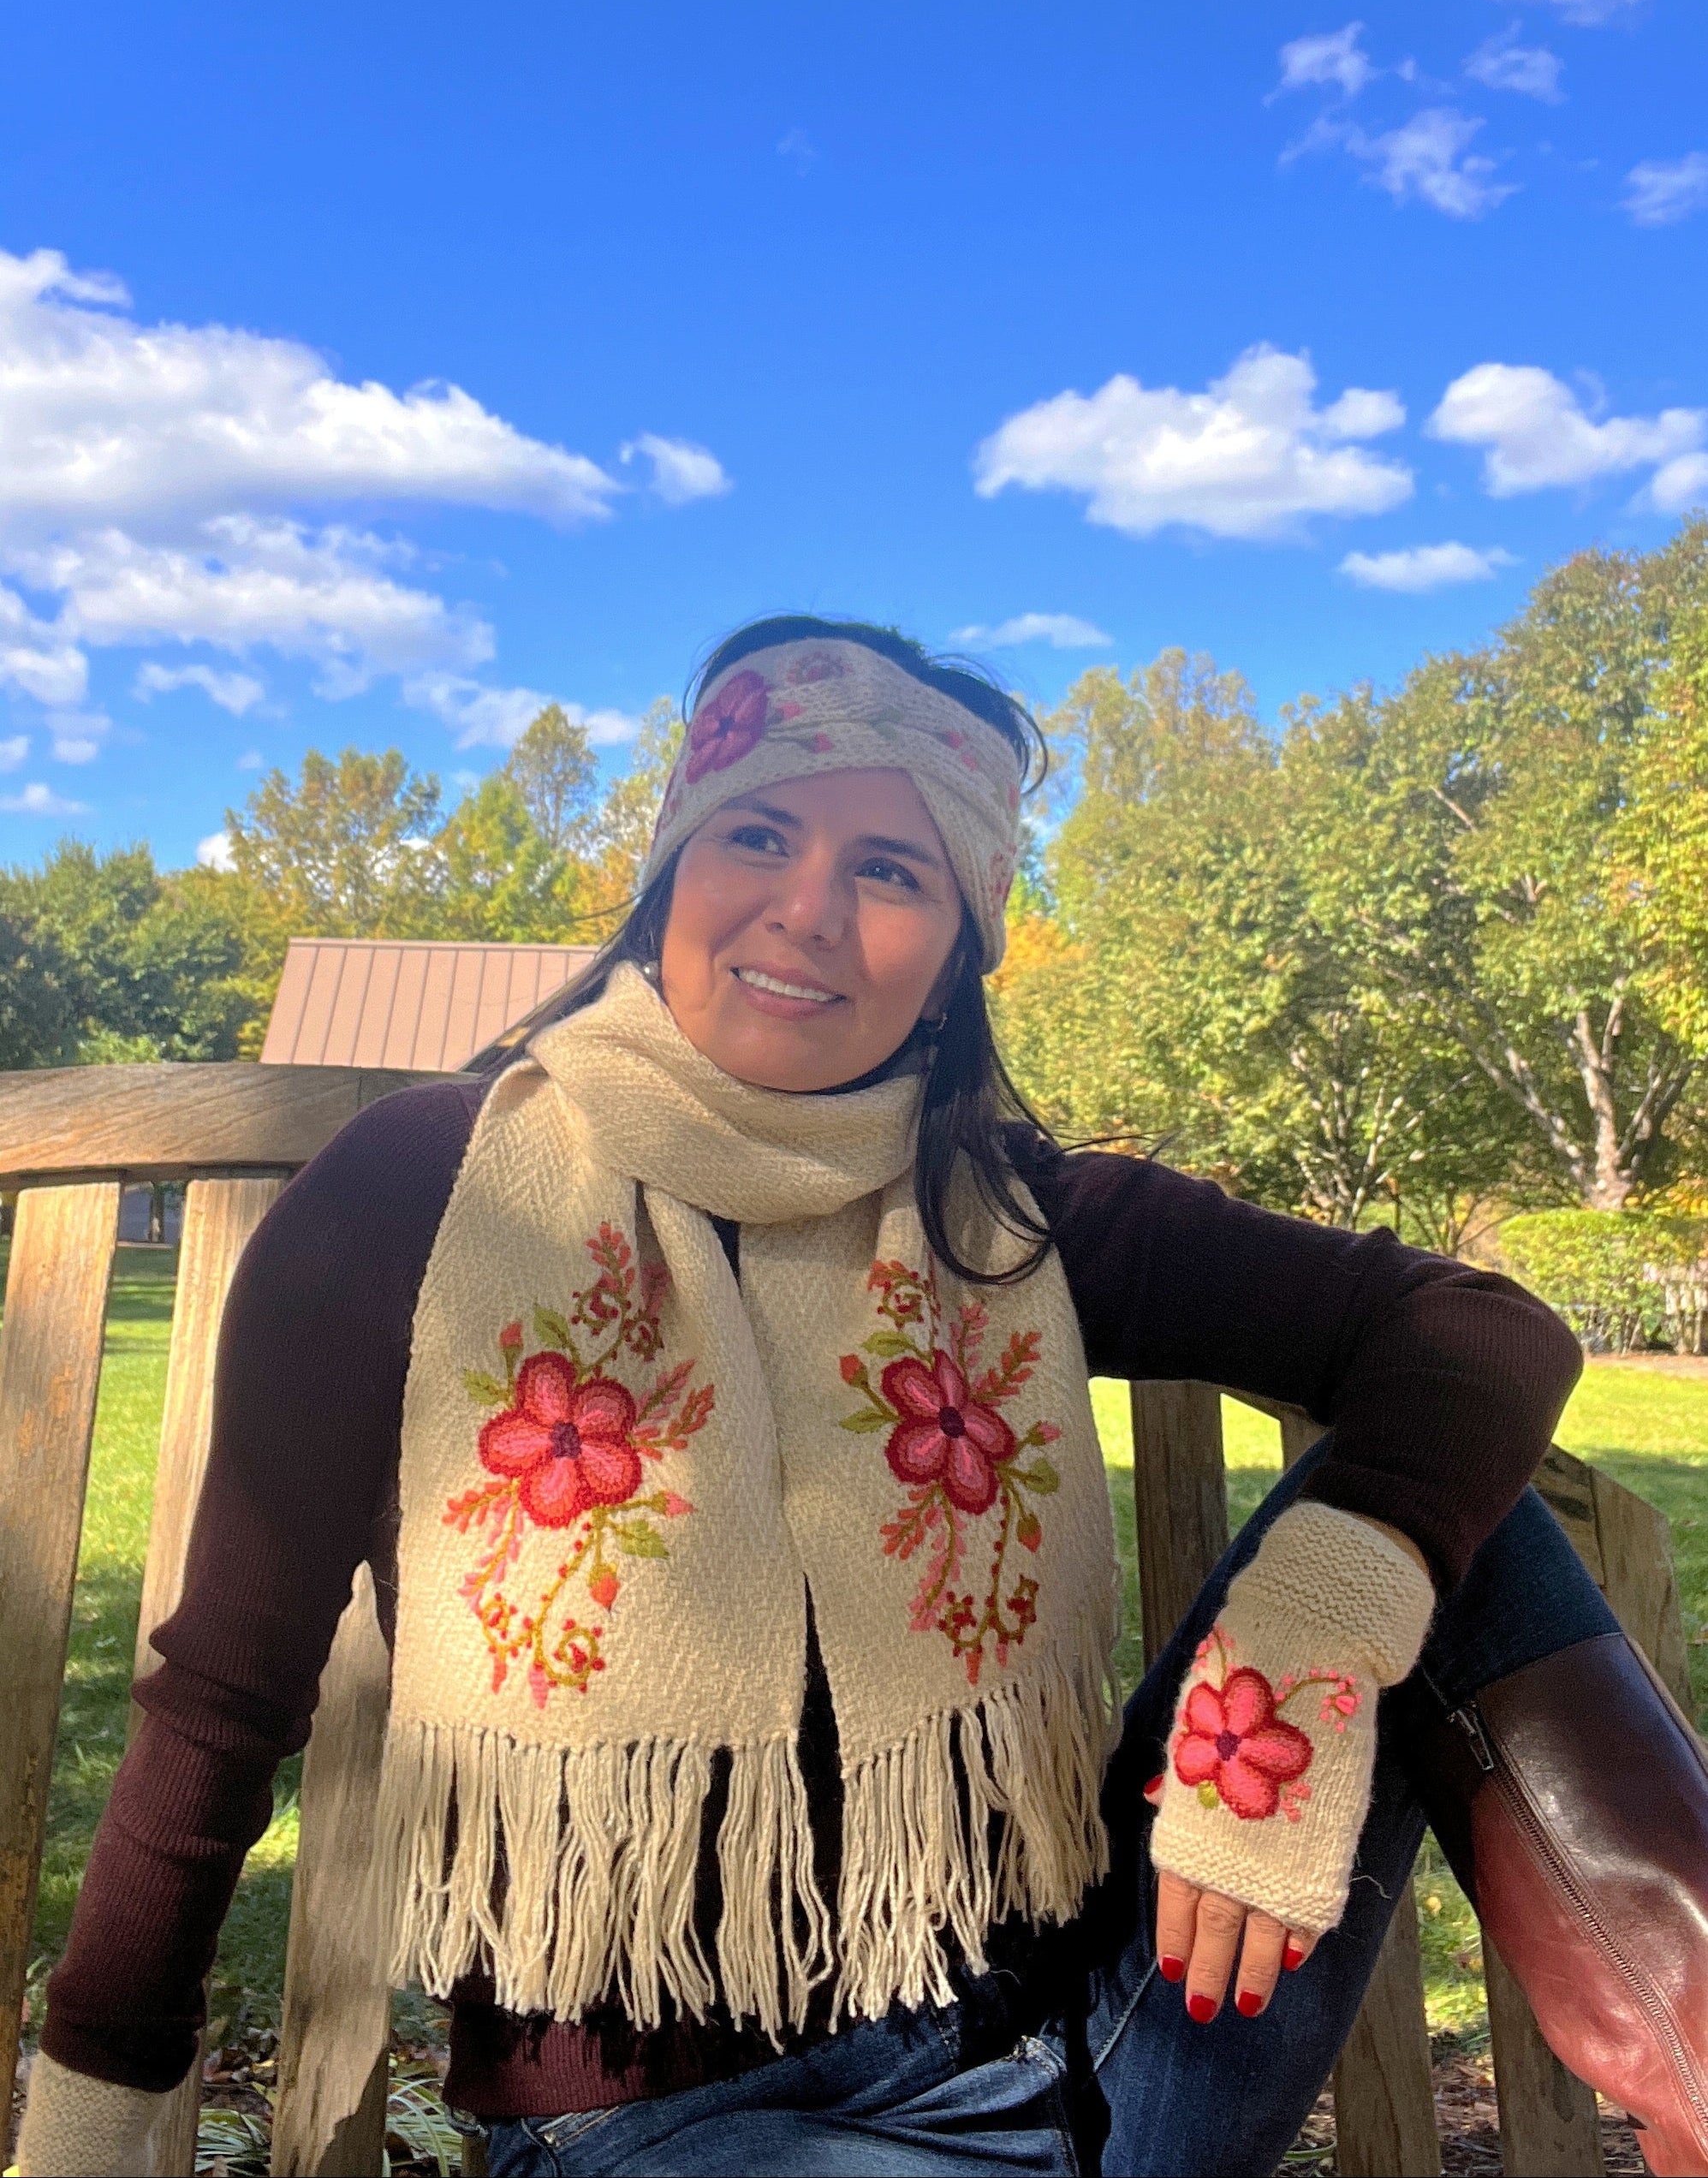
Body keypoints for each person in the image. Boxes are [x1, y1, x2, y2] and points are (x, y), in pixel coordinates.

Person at [18, 618, 1708, 2178]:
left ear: (953, 944)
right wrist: (87, 2132)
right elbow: (218, 1704)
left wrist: (1301, 1650)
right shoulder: (424, 1195)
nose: (808, 911)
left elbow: (1468, 1326)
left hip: (1102, 2034)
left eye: (887, 868)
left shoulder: (993, 1210)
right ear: (674, 860)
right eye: (759, 833)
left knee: (1444, 1547)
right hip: (682, 2137)